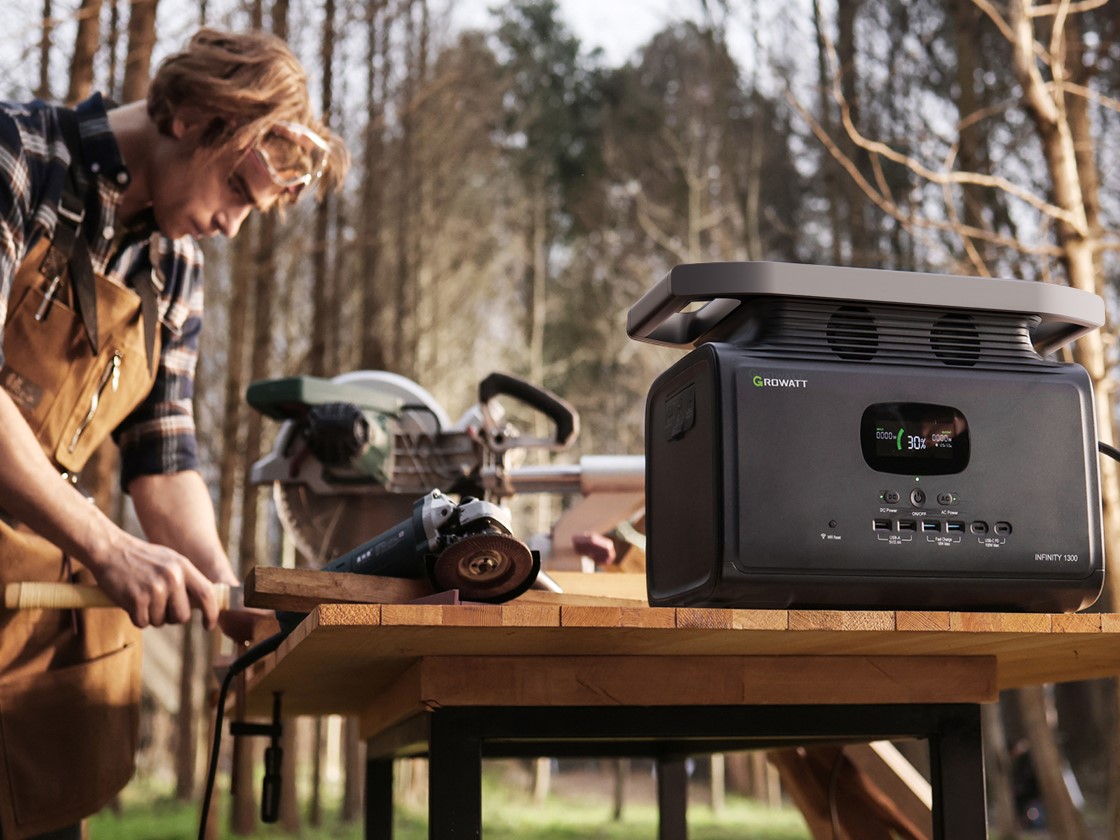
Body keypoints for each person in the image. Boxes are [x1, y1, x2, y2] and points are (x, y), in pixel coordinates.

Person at [0, 28, 348, 839]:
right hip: (74, 550)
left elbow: (165, 458)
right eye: (234, 186)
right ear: (190, 115)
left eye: (249, 210)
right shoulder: (17, 157)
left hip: (40, 629)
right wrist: (109, 547)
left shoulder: (176, 266)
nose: (231, 225)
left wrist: (227, 595)